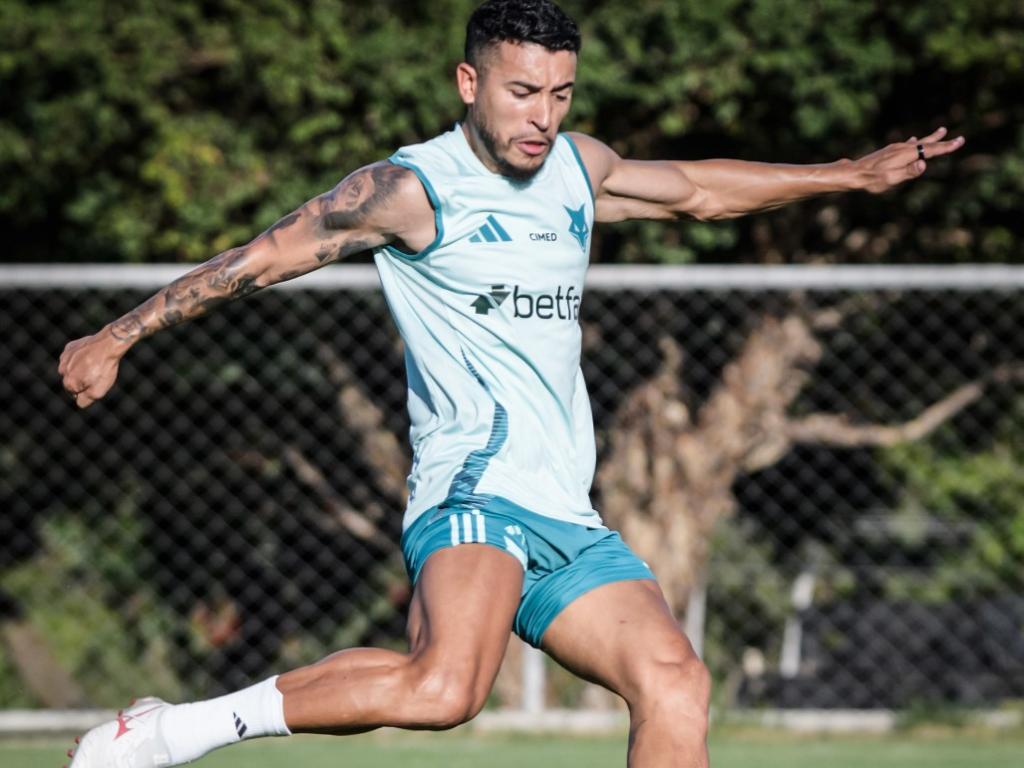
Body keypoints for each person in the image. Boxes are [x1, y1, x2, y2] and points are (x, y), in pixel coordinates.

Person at [58, 1, 964, 765]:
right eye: (522, 92)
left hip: (563, 506)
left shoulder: (574, 168)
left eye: (560, 94)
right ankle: (174, 731)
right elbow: (262, 257)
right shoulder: (410, 189)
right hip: (472, 489)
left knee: (676, 680)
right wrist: (119, 334)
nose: (543, 116)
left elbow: (696, 189)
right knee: (444, 689)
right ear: (469, 82)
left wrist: (847, 175)